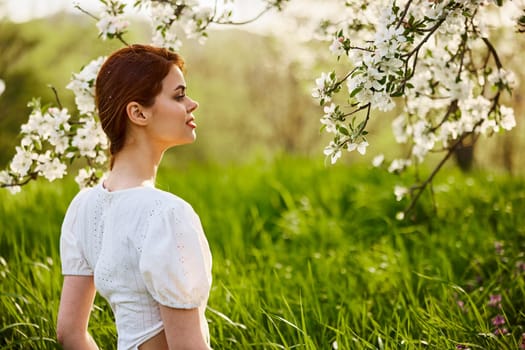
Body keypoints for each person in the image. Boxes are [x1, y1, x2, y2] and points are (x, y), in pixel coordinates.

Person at [56, 44, 212, 350]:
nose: (192, 104)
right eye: (179, 95)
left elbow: (69, 333)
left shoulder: (83, 207)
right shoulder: (166, 215)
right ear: (138, 113)